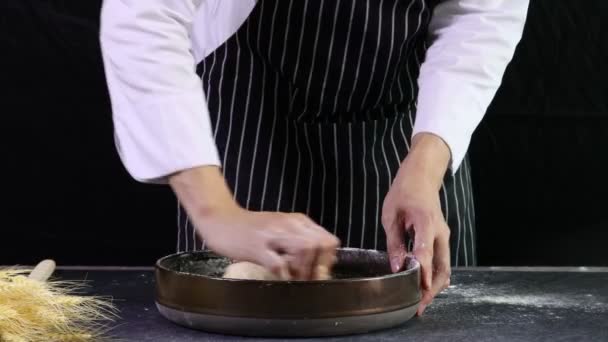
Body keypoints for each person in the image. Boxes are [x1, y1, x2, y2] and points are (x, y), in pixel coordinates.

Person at [100, 0, 528, 314]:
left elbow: (483, 14)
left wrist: (428, 163)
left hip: (409, 128)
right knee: (245, 316)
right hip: (251, 119)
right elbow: (144, 19)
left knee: (429, 321)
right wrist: (216, 212)